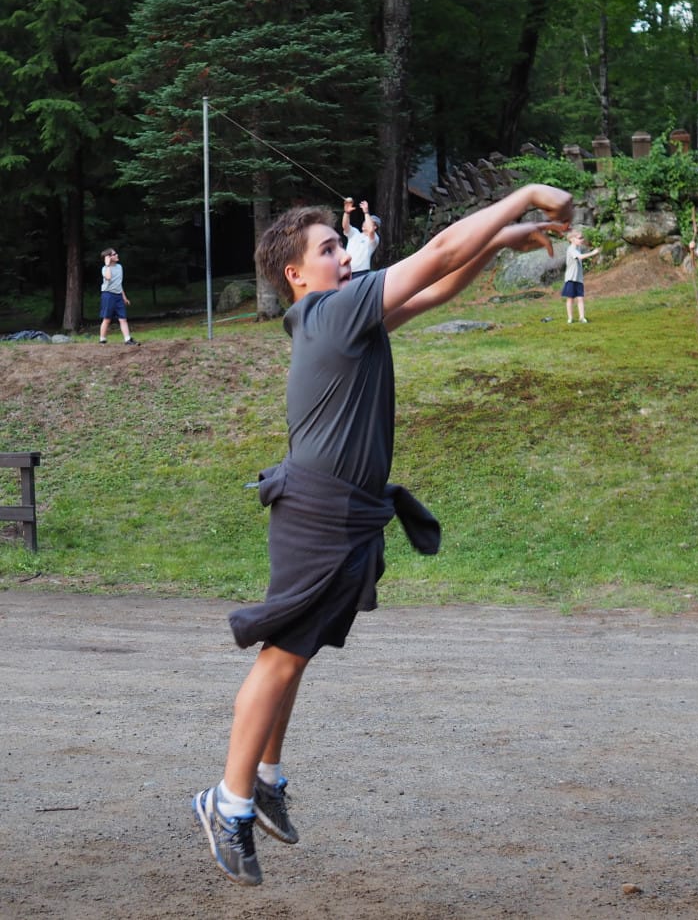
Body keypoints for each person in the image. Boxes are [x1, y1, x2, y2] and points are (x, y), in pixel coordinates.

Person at [192, 183, 573, 887]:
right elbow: (435, 253)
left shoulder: (344, 316)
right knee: (278, 656)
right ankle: (229, 801)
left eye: (341, 244)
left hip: (340, 510)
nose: (343, 254)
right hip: (318, 511)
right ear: (297, 276)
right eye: (328, 248)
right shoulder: (330, 312)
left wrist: (494, 243)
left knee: (295, 652)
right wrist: (517, 199)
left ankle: (264, 779)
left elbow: (434, 289)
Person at [98, 249, 140, 345]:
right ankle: (102, 339)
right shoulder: (105, 268)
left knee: (123, 318)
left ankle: (127, 339)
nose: (117, 255)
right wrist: (107, 264)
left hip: (118, 295)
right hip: (108, 295)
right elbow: (108, 277)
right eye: (114, 254)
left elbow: (119, 284)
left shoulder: (119, 267)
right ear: (109, 257)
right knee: (107, 318)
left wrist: (124, 297)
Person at [561, 229, 599, 324]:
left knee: (580, 298)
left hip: (579, 279)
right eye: (579, 238)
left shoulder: (578, 248)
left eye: (582, 237)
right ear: (572, 239)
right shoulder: (571, 249)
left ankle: (582, 318)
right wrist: (593, 253)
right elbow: (580, 257)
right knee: (570, 298)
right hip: (570, 278)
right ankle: (570, 318)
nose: (582, 239)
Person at [341, 197, 380, 274]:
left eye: (368, 221)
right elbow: (345, 226)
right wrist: (346, 213)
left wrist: (366, 212)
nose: (365, 222)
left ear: (375, 227)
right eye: (365, 221)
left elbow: (370, 230)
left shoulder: (374, 238)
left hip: (361, 272)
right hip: (346, 271)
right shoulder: (355, 232)